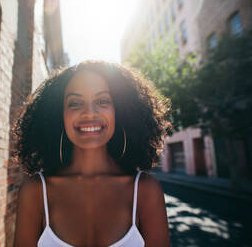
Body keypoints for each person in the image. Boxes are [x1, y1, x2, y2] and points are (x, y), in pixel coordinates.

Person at [13, 60, 171, 247]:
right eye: (75, 103)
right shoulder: (36, 191)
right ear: (58, 114)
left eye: (103, 101)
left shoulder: (146, 190)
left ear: (119, 111)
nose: (89, 113)